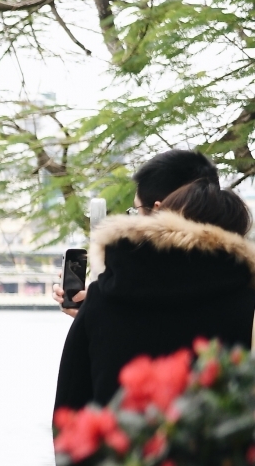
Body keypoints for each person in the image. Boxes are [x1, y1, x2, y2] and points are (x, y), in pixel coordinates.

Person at [54, 178, 255, 412]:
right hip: (216, 446)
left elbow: (70, 400)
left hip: (118, 446)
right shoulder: (247, 302)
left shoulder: (104, 296)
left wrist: (95, 317)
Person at [55, 150, 221, 316]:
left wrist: (93, 311)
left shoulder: (130, 291)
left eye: (136, 210)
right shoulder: (238, 281)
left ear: (158, 210)